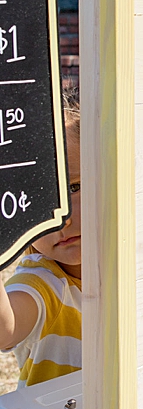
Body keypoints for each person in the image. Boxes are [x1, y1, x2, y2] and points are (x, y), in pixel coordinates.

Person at [0, 88, 82, 387]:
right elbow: (6, 330)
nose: (64, 220)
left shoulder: (135, 274)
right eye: (38, 202)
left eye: (73, 188)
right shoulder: (43, 283)